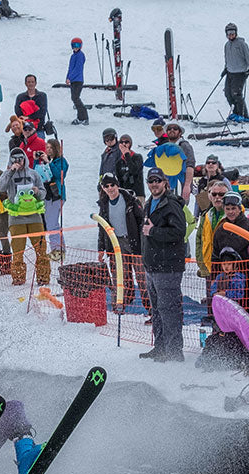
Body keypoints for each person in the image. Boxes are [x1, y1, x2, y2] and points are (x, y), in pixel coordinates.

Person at [139, 168, 188, 362]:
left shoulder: (171, 204)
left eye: (157, 181)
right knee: (158, 311)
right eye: (151, 181)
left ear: (165, 182)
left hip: (168, 268)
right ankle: (160, 348)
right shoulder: (150, 202)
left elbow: (179, 232)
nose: (154, 185)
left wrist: (154, 232)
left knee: (169, 311)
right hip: (152, 267)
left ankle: (174, 353)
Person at [98, 173, 150, 313]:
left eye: (112, 185)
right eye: (106, 186)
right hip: (116, 242)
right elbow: (102, 228)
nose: (110, 188)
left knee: (141, 276)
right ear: (103, 188)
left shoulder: (130, 200)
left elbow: (142, 220)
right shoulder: (104, 204)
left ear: (117, 185)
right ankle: (122, 303)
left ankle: (150, 308)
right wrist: (101, 248)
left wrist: (145, 241)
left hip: (133, 241)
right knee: (120, 275)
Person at [0, 147, 49, 286]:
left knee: (41, 249)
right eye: (15, 159)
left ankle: (43, 277)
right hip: (16, 218)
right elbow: (1, 188)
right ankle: (18, 278)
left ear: (25, 158)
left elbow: (44, 193)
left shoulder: (33, 174)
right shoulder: (8, 173)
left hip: (34, 216)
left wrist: (37, 191)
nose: (18, 161)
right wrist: (10, 171)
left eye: (20, 158)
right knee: (18, 251)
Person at [34, 138, 68, 260]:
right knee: (50, 223)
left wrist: (48, 162)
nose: (48, 150)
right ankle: (58, 248)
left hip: (56, 195)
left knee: (52, 223)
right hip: (46, 196)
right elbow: (36, 174)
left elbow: (58, 174)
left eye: (51, 148)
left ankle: (58, 250)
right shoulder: (43, 161)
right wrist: (36, 160)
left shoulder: (61, 161)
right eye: (46, 147)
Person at [212, 191, 249, 261]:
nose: (230, 212)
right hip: (226, 270)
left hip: (248, 269)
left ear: (240, 209)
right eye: (227, 209)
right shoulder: (220, 230)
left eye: (233, 208)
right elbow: (215, 256)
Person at [195, 180, 229, 278]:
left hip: (228, 268)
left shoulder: (233, 215)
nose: (217, 197)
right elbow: (199, 240)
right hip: (209, 267)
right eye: (214, 194)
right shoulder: (206, 215)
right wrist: (201, 264)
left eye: (221, 194)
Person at [221, 22, 249, 121]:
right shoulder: (227, 45)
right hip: (230, 72)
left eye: (233, 33)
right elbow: (227, 58)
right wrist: (226, 68)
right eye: (229, 33)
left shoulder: (241, 44)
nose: (231, 35)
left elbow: (248, 57)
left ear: (236, 33)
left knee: (236, 94)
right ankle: (236, 113)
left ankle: (244, 115)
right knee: (228, 93)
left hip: (240, 73)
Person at [163, 123, 195, 202]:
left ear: (180, 132)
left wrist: (187, 185)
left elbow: (190, 166)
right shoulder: (166, 147)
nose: (172, 130)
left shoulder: (185, 146)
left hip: (181, 186)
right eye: (169, 129)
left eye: (175, 128)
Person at [66, 38, 89, 126]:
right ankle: (81, 117)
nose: (75, 47)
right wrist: (67, 77)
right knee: (74, 98)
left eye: (77, 45)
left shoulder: (80, 55)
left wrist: (70, 77)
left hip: (78, 80)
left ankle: (83, 117)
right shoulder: (73, 56)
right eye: (74, 45)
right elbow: (70, 68)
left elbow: (77, 69)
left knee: (75, 98)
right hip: (73, 80)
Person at [115, 134, 145, 198]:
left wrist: (127, 155)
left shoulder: (137, 157)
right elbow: (119, 180)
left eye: (126, 142)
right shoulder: (119, 162)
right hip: (124, 195)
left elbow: (134, 171)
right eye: (121, 142)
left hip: (137, 194)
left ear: (130, 144)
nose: (124, 144)